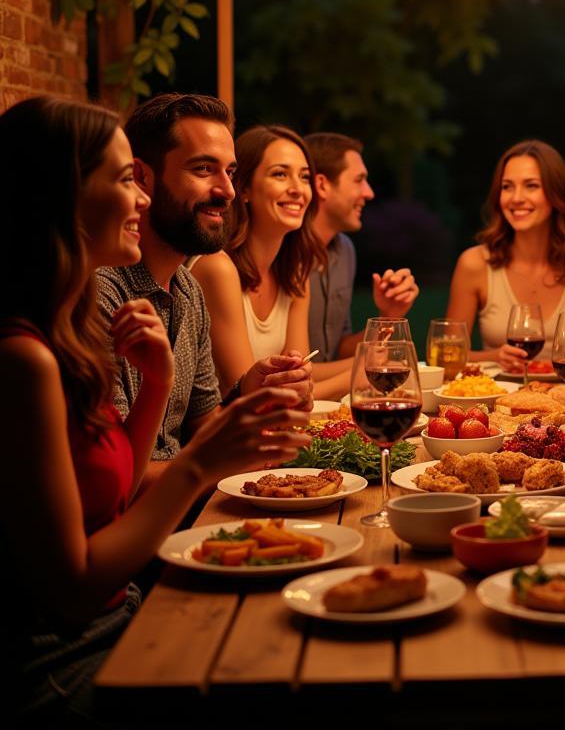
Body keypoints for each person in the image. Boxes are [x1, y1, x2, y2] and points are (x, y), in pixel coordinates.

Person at [1, 96, 309, 716]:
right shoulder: (26, 356)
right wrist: (201, 463)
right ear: (61, 195)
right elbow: (74, 591)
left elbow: (112, 492)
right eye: (123, 180)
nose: (139, 198)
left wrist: (163, 390)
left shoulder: (74, 321)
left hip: (127, 613)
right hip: (63, 665)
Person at [96, 96, 314, 483]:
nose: (228, 190)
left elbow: (204, 426)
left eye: (229, 172)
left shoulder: (188, 290)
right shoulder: (102, 296)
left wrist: (250, 392)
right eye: (203, 169)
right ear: (142, 178)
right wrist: (221, 466)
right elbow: (112, 480)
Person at [191, 125, 332, 393]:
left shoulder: (295, 272)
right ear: (243, 190)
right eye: (280, 174)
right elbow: (250, 395)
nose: (297, 189)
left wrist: (367, 362)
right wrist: (359, 377)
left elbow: (299, 379)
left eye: (304, 177)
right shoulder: (217, 267)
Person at [447, 139, 565, 366]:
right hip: (497, 397)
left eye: (531, 185)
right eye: (507, 187)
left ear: (556, 194)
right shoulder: (474, 264)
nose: (516, 198)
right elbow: (446, 356)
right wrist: (495, 357)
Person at [304, 132, 419, 371]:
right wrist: (367, 363)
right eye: (359, 180)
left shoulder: (344, 250)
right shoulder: (282, 253)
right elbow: (293, 372)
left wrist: (387, 316)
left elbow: (338, 349)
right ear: (322, 185)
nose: (369, 192)